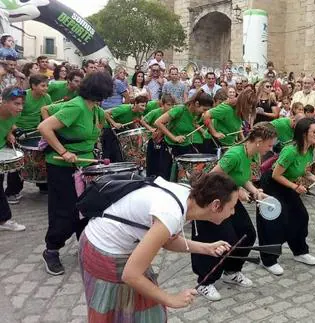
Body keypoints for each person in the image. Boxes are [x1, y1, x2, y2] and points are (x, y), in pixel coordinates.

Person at [79, 172, 237, 322]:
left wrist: (206, 248)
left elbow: (167, 240)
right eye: (232, 207)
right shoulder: (172, 213)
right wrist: (171, 299)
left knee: (146, 310)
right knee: (119, 315)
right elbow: (131, 275)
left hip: (119, 250)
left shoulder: (188, 198)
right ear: (216, 205)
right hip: (103, 250)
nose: (233, 212)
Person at [37, 72, 112, 275]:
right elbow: (44, 127)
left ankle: (86, 247)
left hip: (84, 166)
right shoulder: (77, 106)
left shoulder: (94, 108)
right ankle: (51, 250)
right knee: (66, 211)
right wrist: (63, 151)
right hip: (62, 166)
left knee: (87, 208)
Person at [192, 123, 277, 301]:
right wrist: (236, 191)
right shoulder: (235, 154)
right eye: (269, 145)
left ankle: (231, 271)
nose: (271, 149)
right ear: (259, 141)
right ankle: (205, 282)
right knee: (220, 239)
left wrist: (254, 191)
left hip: (229, 200)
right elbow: (213, 177)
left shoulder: (250, 155)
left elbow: (242, 178)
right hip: (214, 202)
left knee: (247, 233)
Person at [257, 118, 315, 276]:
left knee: (301, 216)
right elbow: (275, 174)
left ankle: (300, 252)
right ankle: (269, 260)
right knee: (274, 222)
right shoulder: (290, 150)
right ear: (303, 133)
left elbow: (304, 171)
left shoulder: (310, 150)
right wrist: (295, 187)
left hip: (288, 185)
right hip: (273, 185)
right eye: (314, 132)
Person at [154, 90, 214, 180]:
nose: (205, 112)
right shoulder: (180, 110)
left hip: (185, 149)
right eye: (204, 109)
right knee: (167, 177)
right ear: (197, 104)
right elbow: (158, 122)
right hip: (170, 148)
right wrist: (174, 137)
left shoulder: (196, 115)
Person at [0, 87, 26, 231]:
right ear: (3, 102)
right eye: (16, 103)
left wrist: (9, 133)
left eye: (22, 104)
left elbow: (9, 125)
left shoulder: (14, 114)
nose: (20, 108)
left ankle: (3, 220)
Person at [102, 95, 148, 162]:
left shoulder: (139, 112)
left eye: (145, 106)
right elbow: (105, 113)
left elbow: (132, 123)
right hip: (109, 130)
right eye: (142, 105)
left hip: (120, 131)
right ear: (135, 103)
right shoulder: (124, 109)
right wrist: (114, 123)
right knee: (108, 155)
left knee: (120, 155)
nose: (144, 108)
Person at [140, 94, 176, 177]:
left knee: (164, 163)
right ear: (162, 104)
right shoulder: (155, 112)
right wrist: (151, 129)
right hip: (154, 139)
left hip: (166, 140)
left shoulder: (173, 113)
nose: (171, 107)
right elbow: (143, 121)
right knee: (152, 162)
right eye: (168, 105)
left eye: (172, 105)